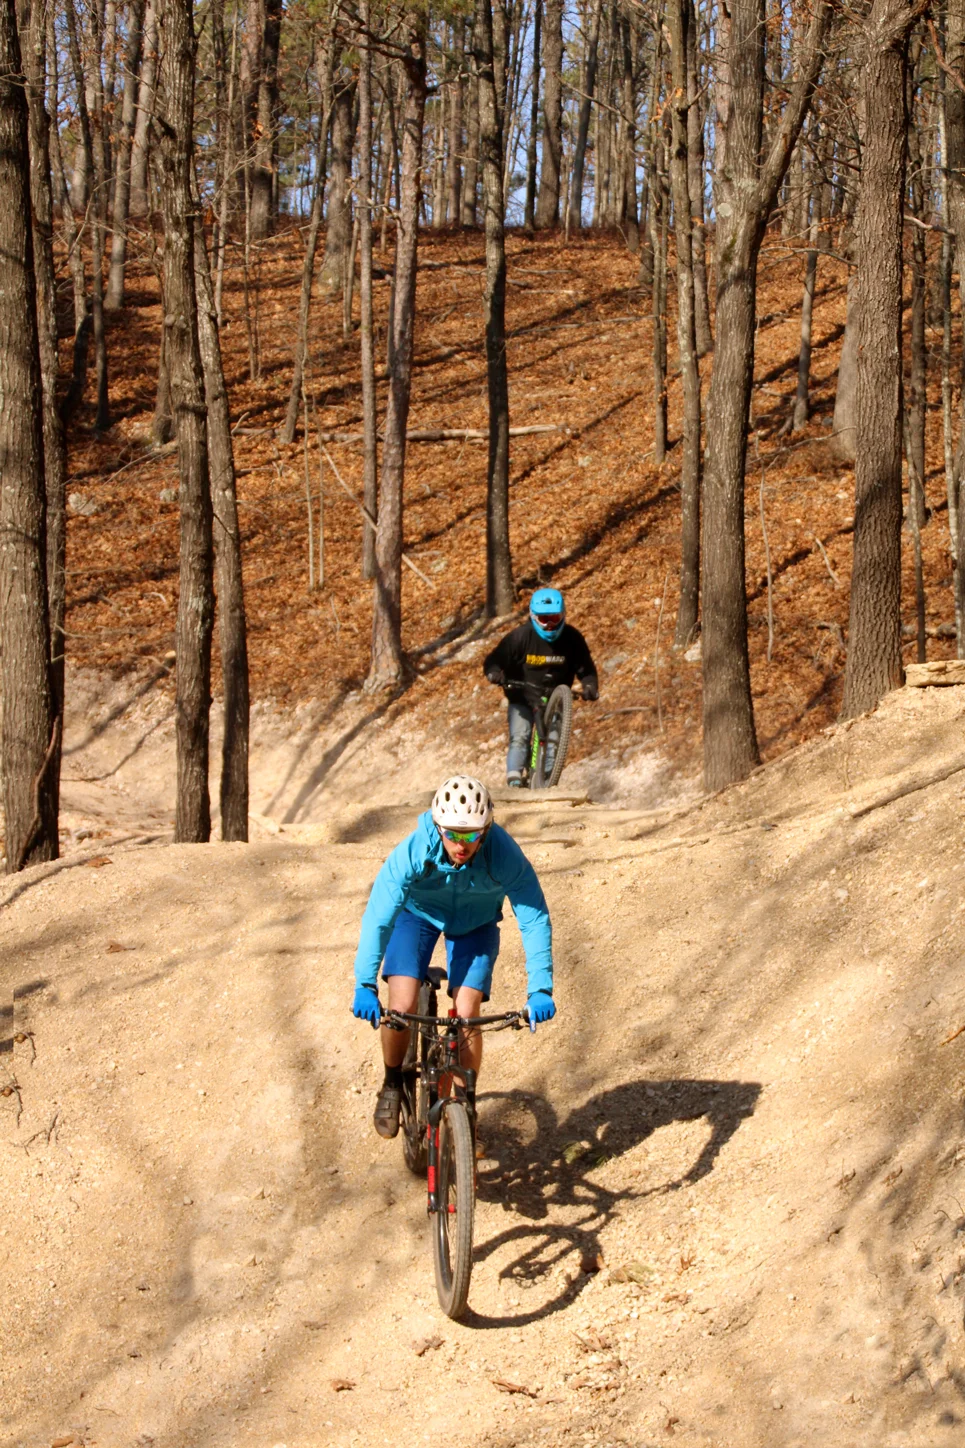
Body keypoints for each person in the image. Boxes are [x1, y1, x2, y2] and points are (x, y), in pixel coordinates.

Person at [351, 774, 556, 1139]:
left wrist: (540, 988)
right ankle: (393, 1081)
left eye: (472, 835)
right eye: (453, 834)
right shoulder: (415, 850)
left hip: (476, 922)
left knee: (467, 1014)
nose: (462, 845)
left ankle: (463, 1107)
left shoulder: (503, 854)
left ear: (486, 829)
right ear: (437, 827)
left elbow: (534, 917)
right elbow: (379, 917)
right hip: (418, 915)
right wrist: (365, 983)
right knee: (401, 1005)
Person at [483, 587, 599, 787]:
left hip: (555, 696)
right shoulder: (520, 637)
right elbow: (494, 659)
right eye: (544, 619)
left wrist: (590, 685)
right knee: (521, 735)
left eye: (554, 618)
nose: (549, 625)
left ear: (563, 615)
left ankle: (547, 781)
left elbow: (586, 668)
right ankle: (514, 781)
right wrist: (494, 672)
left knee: (553, 739)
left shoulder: (572, 639)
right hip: (521, 694)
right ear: (533, 617)